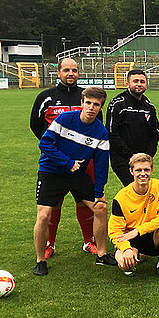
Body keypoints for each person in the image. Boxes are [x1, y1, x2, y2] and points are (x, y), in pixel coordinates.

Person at [33, 87, 116, 276]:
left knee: (101, 208)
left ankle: (102, 254)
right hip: (52, 171)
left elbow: (102, 164)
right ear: (82, 103)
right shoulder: (64, 119)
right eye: (88, 103)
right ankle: (40, 260)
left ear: (100, 107)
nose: (91, 107)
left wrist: (99, 191)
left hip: (77, 174)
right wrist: (67, 162)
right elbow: (44, 143)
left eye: (96, 105)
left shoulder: (101, 132)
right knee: (44, 215)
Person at [30, 57, 96, 257]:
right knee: (53, 204)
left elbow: (95, 125)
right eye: (66, 70)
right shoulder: (46, 97)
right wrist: (55, 149)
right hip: (55, 162)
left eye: (74, 70)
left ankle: (88, 241)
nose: (71, 74)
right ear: (58, 73)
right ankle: (49, 244)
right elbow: (36, 125)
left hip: (84, 161)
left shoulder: (86, 97)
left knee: (84, 201)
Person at [108, 153, 159, 279]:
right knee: (125, 264)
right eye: (138, 170)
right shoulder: (120, 198)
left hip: (152, 235)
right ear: (131, 171)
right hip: (131, 239)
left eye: (146, 169)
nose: (143, 173)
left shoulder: (158, 186)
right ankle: (134, 254)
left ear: (152, 170)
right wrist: (126, 249)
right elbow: (114, 231)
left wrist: (138, 231)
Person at [106, 69, 159, 185]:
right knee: (133, 187)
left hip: (143, 159)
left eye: (142, 81)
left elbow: (156, 132)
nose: (139, 84)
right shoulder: (117, 104)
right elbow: (112, 133)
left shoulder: (149, 106)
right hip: (123, 158)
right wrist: (130, 154)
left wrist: (148, 154)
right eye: (135, 81)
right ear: (127, 84)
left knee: (143, 189)